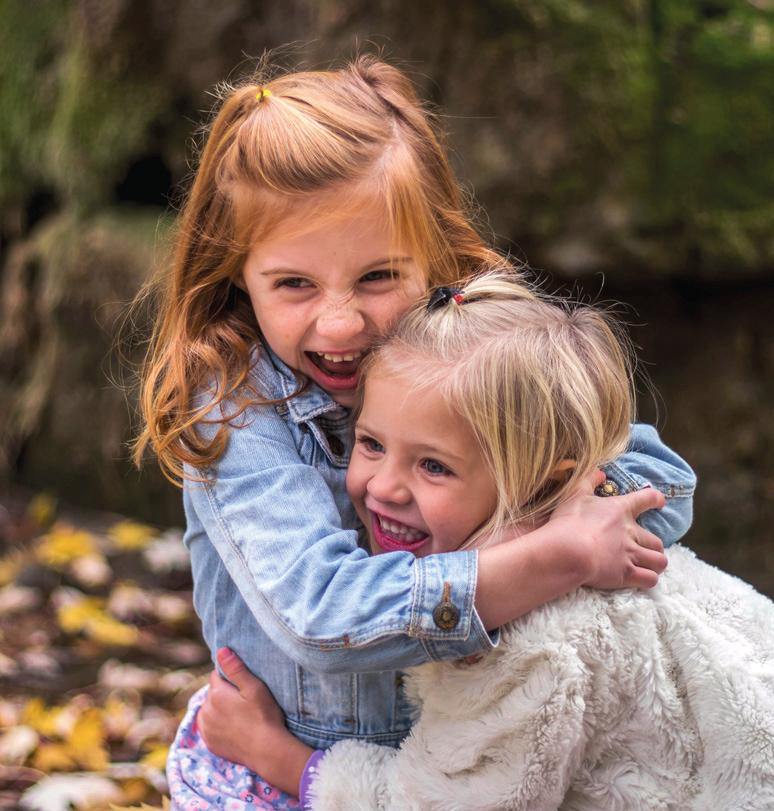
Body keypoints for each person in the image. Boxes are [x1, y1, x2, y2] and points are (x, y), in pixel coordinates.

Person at [133, 56, 695, 808]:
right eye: (294, 284)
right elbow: (321, 614)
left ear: (433, 254)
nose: (341, 322)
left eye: (376, 278)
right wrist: (541, 558)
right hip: (285, 765)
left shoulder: (472, 355)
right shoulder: (237, 409)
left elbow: (660, 485)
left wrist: (550, 522)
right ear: (237, 272)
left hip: (466, 758)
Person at [199, 273, 774, 811]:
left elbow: (442, 806)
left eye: (434, 466)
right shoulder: (581, 534)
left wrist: (278, 757)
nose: (383, 486)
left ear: (539, 479)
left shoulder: (527, 637)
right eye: (370, 443)